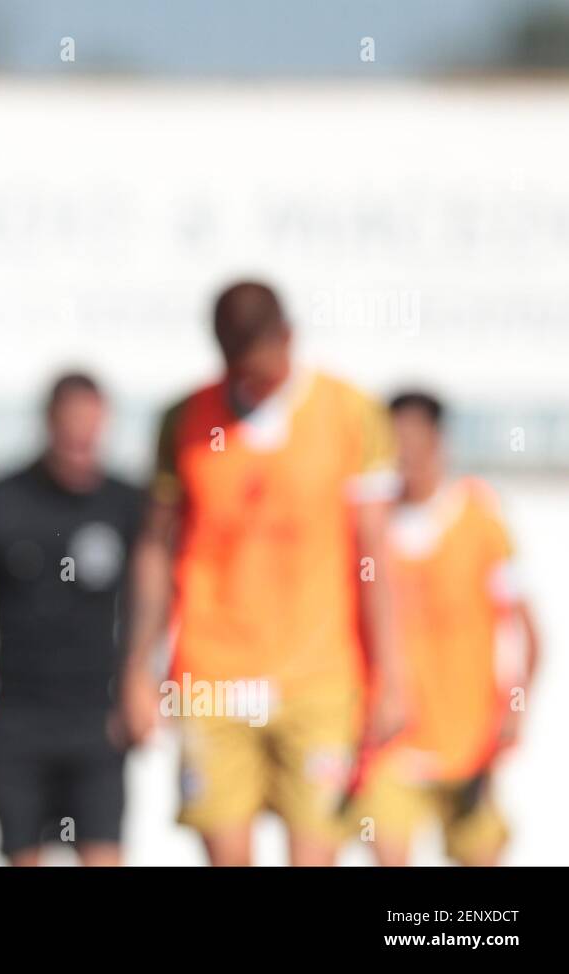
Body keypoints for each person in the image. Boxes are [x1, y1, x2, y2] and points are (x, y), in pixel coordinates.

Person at [117, 280, 407, 866]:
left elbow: (375, 555)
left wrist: (394, 674)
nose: (250, 382)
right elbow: (155, 551)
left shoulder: (351, 413)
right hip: (214, 678)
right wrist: (137, 670)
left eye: (263, 366)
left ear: (289, 338)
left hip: (320, 680)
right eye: (236, 367)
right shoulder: (185, 420)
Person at [353, 391, 540, 866]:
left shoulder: (479, 519)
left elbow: (528, 630)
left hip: (468, 738)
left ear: (440, 441)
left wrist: (515, 707)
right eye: (396, 441)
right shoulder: (373, 527)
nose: (407, 453)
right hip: (392, 741)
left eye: (417, 439)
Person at [0, 374, 146, 865]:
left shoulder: (125, 504)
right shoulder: (1, 501)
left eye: (91, 423)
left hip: (98, 721)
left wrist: (143, 681)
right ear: (49, 422)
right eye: (71, 421)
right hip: (19, 724)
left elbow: (153, 597)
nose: (81, 435)